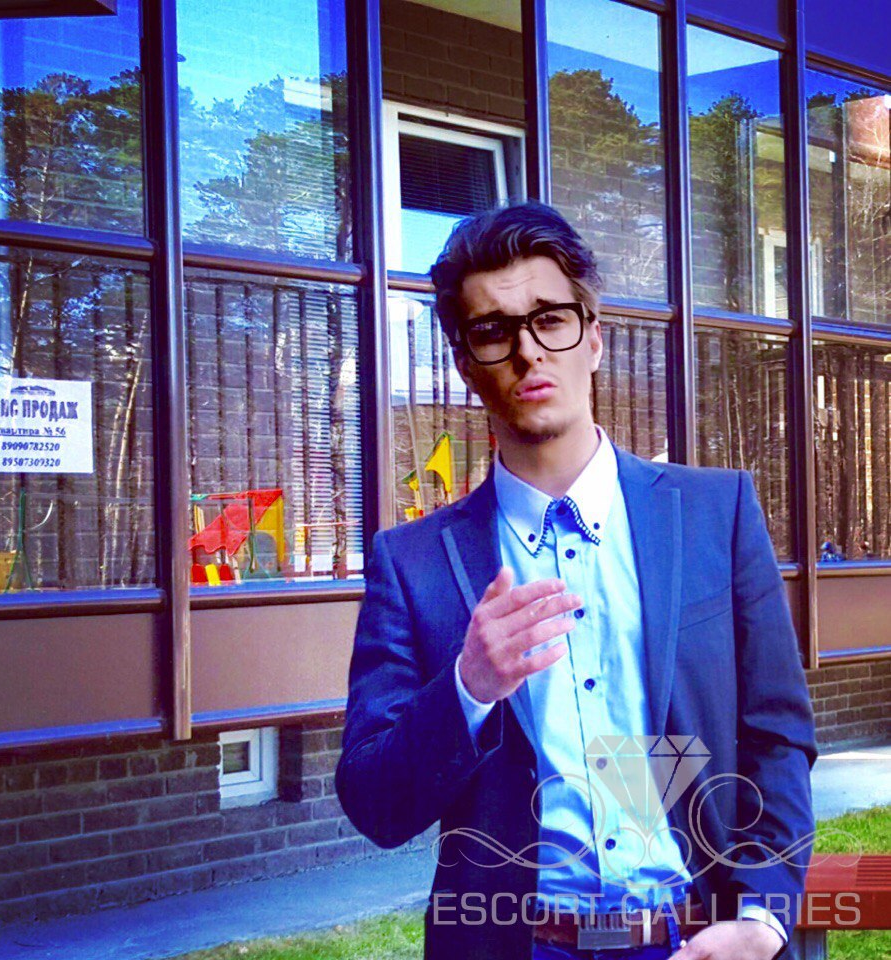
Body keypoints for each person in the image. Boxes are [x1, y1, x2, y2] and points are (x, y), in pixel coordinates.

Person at [336, 202, 818, 960]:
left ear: (593, 337)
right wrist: (467, 687)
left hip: (698, 940)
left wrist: (763, 916)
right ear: (465, 364)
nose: (528, 351)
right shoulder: (412, 562)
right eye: (494, 330)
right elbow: (375, 804)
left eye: (550, 319)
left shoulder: (714, 515)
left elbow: (778, 738)